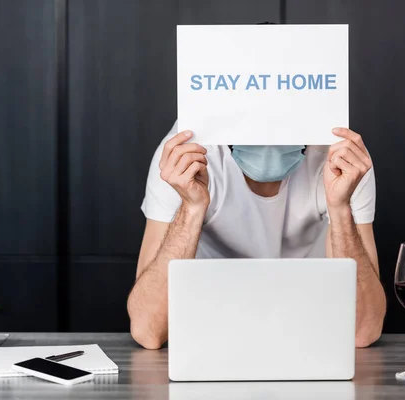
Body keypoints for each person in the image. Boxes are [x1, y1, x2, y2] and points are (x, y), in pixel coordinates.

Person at [127, 121, 387, 349]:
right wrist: (192, 208)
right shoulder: (183, 156)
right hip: (211, 338)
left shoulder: (344, 157)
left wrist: (340, 209)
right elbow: (148, 330)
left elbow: (362, 331)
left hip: (308, 336)